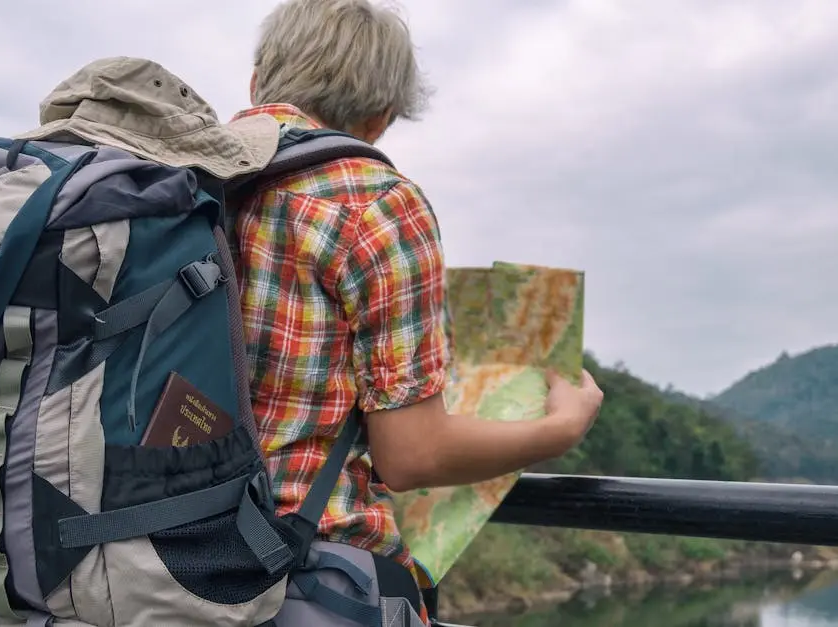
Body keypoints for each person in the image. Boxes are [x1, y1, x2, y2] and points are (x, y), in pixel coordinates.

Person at [230, 0, 605, 620]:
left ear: (255, 84)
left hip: (161, 562)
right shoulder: (377, 203)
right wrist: (558, 431)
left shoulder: (180, 183)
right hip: (296, 574)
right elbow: (411, 455)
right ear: (380, 118)